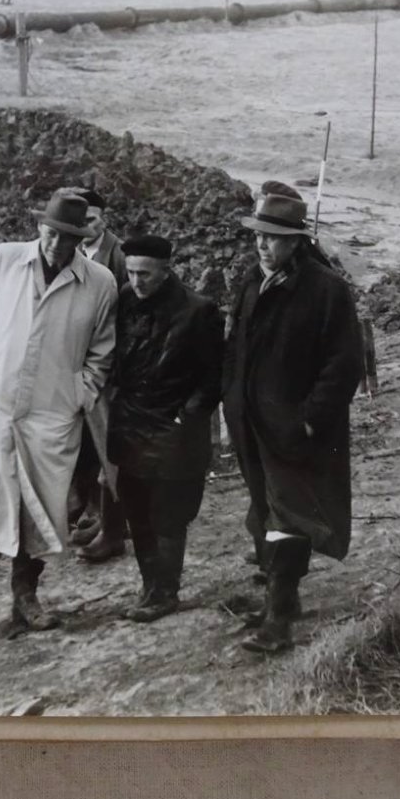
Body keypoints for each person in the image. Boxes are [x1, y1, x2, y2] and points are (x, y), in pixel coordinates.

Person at [0, 189, 118, 643]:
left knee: (44, 510)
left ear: (79, 239)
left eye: (66, 239)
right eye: (49, 234)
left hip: (53, 415)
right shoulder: (5, 259)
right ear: (39, 228)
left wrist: (78, 393)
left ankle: (27, 599)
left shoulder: (99, 283)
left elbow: (102, 351)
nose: (54, 246)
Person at [222, 190, 364, 654]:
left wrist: (309, 421)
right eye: (260, 236)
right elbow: (236, 353)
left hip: (297, 430)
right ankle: (280, 599)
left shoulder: (326, 290)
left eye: (275, 238)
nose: (264, 245)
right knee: (265, 510)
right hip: (251, 424)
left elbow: (344, 364)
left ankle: (278, 619)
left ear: (297, 241)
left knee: (290, 514)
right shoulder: (250, 284)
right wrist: (231, 409)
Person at [107, 234, 224, 622]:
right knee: (136, 508)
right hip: (131, 423)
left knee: (170, 513)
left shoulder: (198, 311)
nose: (137, 282)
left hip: (175, 430)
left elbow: (214, 378)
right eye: (132, 273)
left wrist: (186, 418)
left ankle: (166, 591)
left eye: (146, 274)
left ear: (166, 270)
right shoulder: (123, 299)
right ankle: (150, 586)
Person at [66, 188, 129, 562]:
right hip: (77, 367)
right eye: (80, 222)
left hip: (108, 369)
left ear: (104, 218)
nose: (86, 227)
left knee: (110, 451)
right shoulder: (72, 255)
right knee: (83, 447)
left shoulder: (118, 256)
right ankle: (94, 512)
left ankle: (115, 527)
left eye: (91, 220)